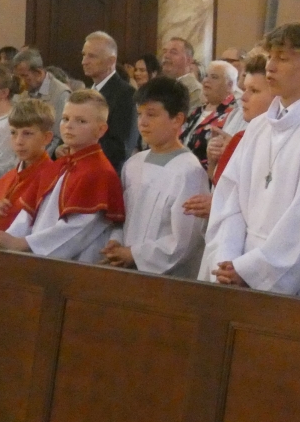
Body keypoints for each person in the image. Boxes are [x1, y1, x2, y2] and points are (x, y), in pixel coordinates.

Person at [198, 23, 300, 300]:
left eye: (282, 58)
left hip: (296, 278)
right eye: (270, 56)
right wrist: (227, 258)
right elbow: (230, 199)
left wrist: (252, 270)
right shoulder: (258, 128)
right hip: (236, 267)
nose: (270, 66)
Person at [0, 90, 125, 261]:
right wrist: (4, 239)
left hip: (72, 263)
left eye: (81, 121)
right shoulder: (58, 166)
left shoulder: (99, 172)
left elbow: (77, 230)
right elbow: (29, 214)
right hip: (37, 257)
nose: (69, 126)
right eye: (65, 119)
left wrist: (21, 243)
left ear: (101, 130)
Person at [101, 77, 210, 278]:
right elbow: (123, 216)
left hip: (166, 279)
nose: (142, 122)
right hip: (125, 270)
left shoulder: (189, 171)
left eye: (151, 114)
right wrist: (116, 241)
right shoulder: (134, 164)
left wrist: (134, 254)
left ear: (177, 119)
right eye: (139, 114)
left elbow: (185, 241)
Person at [181, 55, 275, 219]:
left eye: (254, 91)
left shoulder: (277, 138)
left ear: (276, 95)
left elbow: (264, 199)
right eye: (245, 89)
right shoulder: (235, 116)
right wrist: (213, 159)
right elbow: (217, 178)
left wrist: (234, 151)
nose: (244, 97)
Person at [0, 99, 59, 234]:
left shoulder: (53, 178)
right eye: (13, 133)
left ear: (46, 138)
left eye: (27, 133)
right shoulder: (9, 177)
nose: (19, 141)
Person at [82, 31, 138, 172]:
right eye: (84, 55)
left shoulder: (126, 94)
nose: (84, 61)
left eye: (91, 56)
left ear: (111, 61)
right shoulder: (85, 93)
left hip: (106, 173)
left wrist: (81, 149)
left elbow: (121, 148)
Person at [181, 60, 241, 170]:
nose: (206, 81)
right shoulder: (197, 111)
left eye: (214, 77)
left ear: (229, 85)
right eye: (206, 76)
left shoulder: (234, 114)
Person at [14, 49, 71, 151]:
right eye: (18, 76)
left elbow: (58, 137)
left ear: (39, 73)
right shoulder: (23, 91)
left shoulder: (61, 94)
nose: (21, 81)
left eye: (24, 76)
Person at [160, 38, 202, 110]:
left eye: (173, 52)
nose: (166, 56)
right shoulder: (158, 86)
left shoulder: (195, 91)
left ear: (188, 60)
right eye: (164, 52)